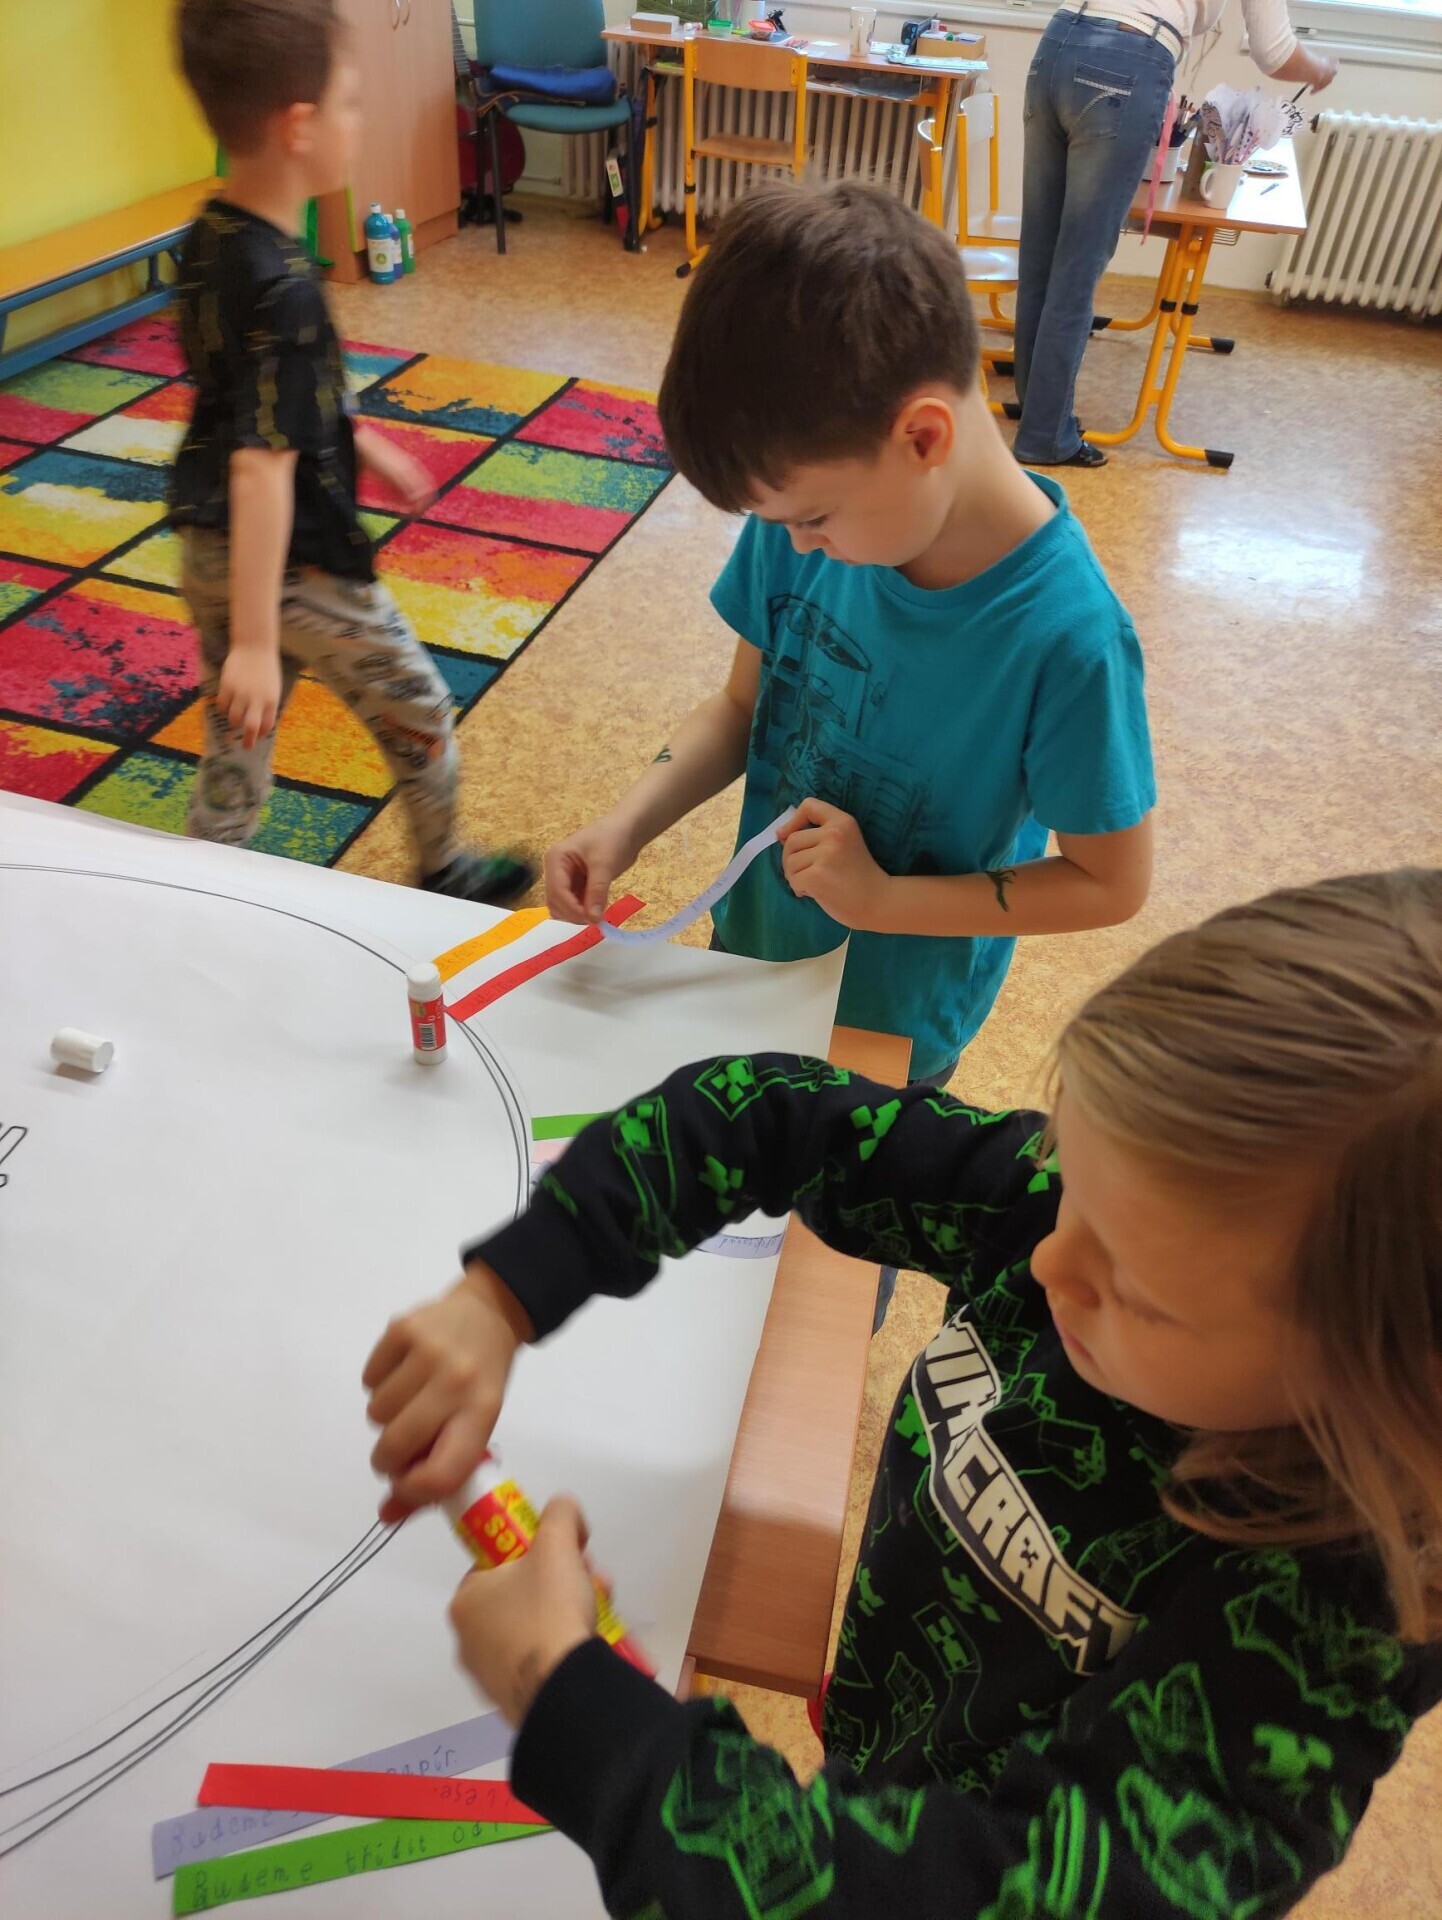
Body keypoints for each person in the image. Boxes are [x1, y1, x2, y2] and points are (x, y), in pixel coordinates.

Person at [365, 868, 1442, 1919]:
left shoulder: (1326, 1638)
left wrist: (572, 1707)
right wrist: (508, 1291)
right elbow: (765, 1118)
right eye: (1070, 1170)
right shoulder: (1068, 1212)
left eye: (1136, 1291)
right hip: (892, 1725)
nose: (1048, 1262)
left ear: (1369, 1383)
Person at [544, 180, 1155, 1097]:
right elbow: (741, 708)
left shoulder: (1070, 639)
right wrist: (626, 824)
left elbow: (1111, 884)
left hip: (889, 1033)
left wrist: (883, 902)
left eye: (813, 519)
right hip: (750, 965)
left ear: (923, 438)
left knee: (840, 1190)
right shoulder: (808, 512)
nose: (796, 546)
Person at [169, 0, 531, 903]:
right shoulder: (289, 286)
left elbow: (248, 394)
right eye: (351, 104)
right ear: (300, 128)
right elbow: (261, 464)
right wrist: (259, 637)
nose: (358, 122)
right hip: (296, 563)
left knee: (238, 734)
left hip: (208, 546)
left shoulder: (209, 239)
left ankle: (197, 879)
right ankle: (444, 868)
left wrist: (358, 439)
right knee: (419, 709)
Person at [1013, 0, 1338, 467]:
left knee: (1040, 260)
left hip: (1058, 42)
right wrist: (1321, 69)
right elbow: (1275, 51)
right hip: (1130, 57)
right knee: (1075, 272)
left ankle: (1036, 413)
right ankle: (1044, 436)